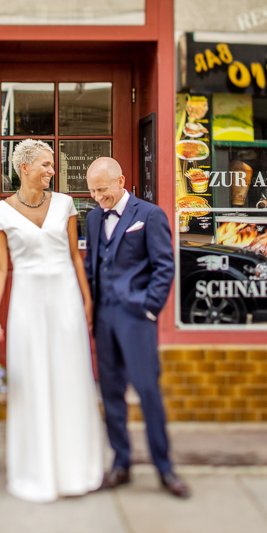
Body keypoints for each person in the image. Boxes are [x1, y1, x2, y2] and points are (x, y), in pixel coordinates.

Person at [0, 139, 106, 503]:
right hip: (27, 304)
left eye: (52, 165)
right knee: (32, 381)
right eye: (45, 164)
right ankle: (35, 472)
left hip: (66, 297)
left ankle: (75, 471)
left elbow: (74, 255)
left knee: (71, 378)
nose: (52, 171)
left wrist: (86, 301)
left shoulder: (66, 205)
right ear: (24, 168)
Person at [83, 157, 190, 500]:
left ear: (120, 181)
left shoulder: (149, 215)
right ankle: (121, 463)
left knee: (147, 392)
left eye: (102, 190)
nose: (98, 198)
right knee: (111, 393)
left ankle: (165, 468)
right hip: (104, 319)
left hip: (136, 318)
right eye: (92, 192)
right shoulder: (93, 218)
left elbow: (164, 266)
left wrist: (148, 310)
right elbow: (92, 266)